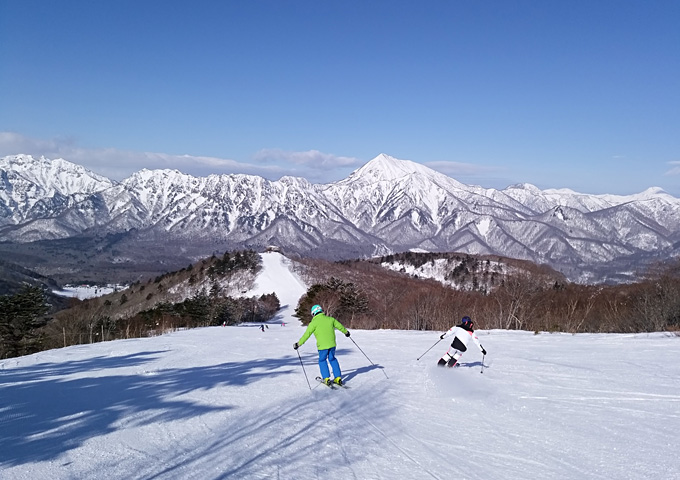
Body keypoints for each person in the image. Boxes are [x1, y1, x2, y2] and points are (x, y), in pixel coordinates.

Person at [294, 304, 350, 386]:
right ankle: (338, 378)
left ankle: (326, 378)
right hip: (332, 345)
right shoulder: (330, 319)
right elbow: (340, 326)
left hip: (322, 347)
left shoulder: (313, 323)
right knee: (332, 359)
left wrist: (298, 344)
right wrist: (346, 332)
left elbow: (306, 335)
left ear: (313, 313)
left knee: (322, 360)